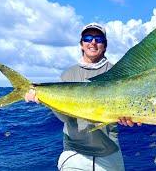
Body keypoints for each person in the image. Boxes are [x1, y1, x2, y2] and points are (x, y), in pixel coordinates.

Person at [25, 23, 131, 170]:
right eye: (88, 38)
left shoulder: (117, 73)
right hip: (74, 151)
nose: (92, 42)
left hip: (109, 151)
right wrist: (43, 99)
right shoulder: (68, 74)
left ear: (105, 46)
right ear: (81, 44)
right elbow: (65, 119)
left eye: (98, 39)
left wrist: (130, 117)